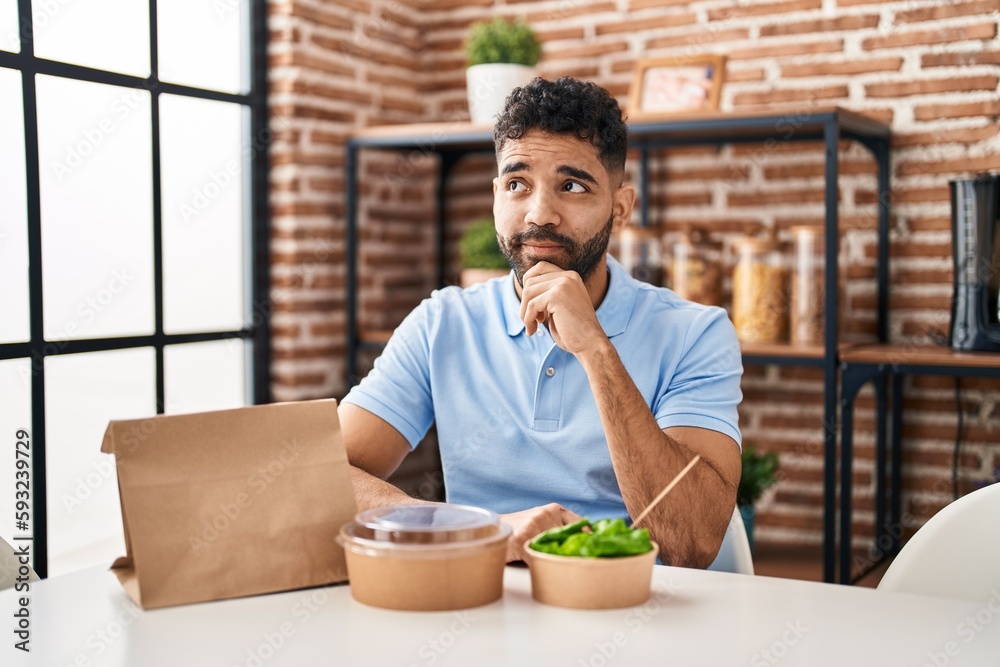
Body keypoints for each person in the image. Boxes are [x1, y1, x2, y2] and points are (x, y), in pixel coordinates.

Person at [340, 77, 742, 567]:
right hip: (485, 607)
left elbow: (691, 541)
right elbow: (325, 475)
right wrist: (473, 530)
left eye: (571, 185)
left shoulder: (695, 334)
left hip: (635, 611)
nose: (539, 213)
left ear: (620, 208)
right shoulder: (441, 324)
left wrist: (595, 349)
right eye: (517, 184)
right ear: (495, 199)